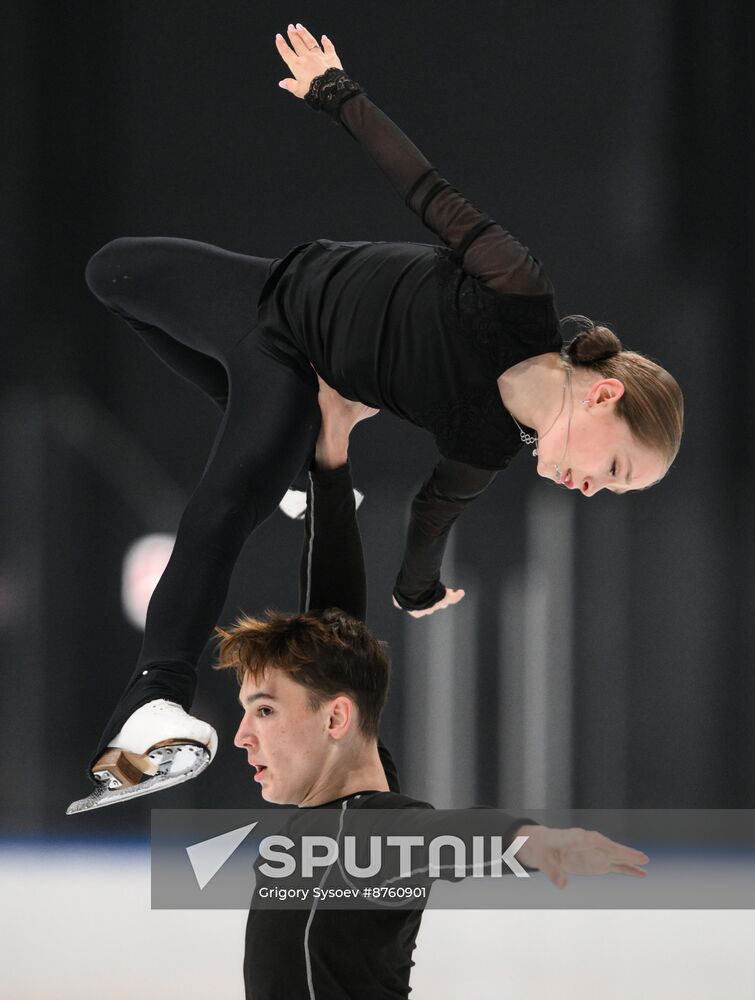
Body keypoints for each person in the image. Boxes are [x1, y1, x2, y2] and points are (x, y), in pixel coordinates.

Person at [78, 22, 683, 796]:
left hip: (296, 373)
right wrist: (337, 93)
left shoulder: (486, 444)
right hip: (266, 289)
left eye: (612, 489)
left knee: (220, 509)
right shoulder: (515, 292)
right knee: (111, 272)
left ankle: (157, 702)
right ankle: (285, 468)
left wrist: (418, 588)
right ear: (604, 393)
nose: (594, 488)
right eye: (615, 468)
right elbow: (424, 189)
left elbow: (430, 519)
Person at [212, 387, 649, 999]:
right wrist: (331, 456)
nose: (241, 736)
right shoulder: (343, 813)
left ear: (335, 719)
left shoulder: (362, 833)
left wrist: (532, 842)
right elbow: (333, 619)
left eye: (263, 710)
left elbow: (442, 837)